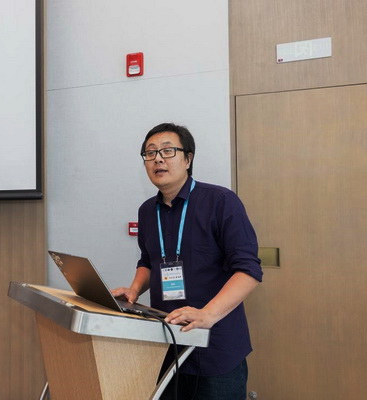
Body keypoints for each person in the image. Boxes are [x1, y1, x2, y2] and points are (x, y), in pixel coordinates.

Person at [112, 122, 263, 400]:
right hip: (167, 345)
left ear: (188, 159)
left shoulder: (221, 201)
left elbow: (248, 270)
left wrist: (208, 314)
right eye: (150, 153)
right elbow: (148, 260)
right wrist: (134, 289)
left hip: (216, 348)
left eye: (167, 151)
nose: (158, 159)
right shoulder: (147, 211)